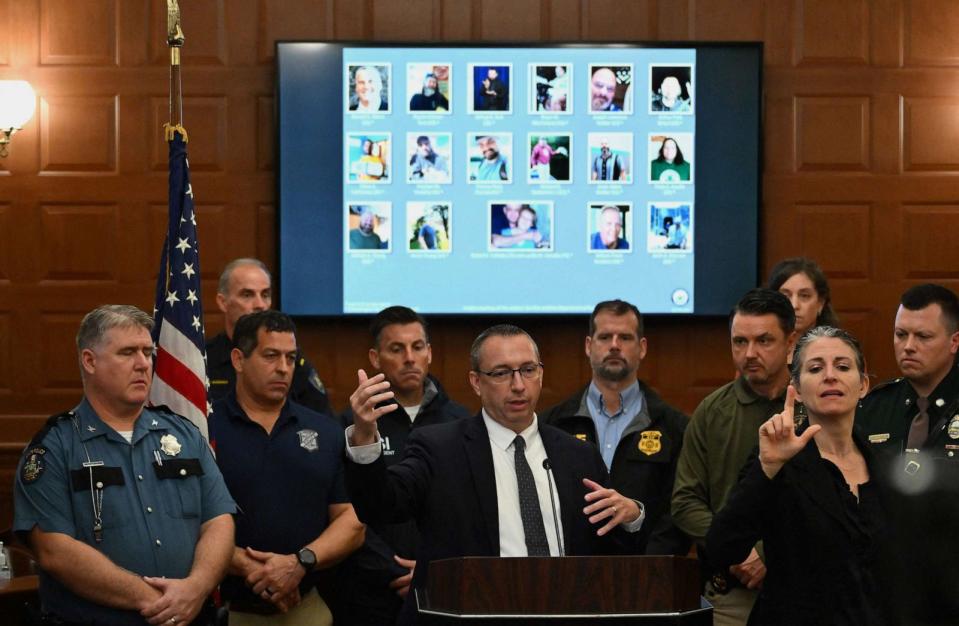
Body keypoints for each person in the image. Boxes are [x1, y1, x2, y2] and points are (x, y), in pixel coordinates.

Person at [344, 324, 644, 625]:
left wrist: (631, 517)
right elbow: (380, 506)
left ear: (541, 373)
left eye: (528, 370)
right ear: (476, 382)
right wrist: (365, 437)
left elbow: (609, 553)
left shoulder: (577, 456)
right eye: (501, 373)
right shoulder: (439, 448)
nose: (518, 385)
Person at [14, 305, 236, 625]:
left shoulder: (184, 434)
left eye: (148, 352)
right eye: (128, 352)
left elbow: (219, 521)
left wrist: (196, 588)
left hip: (191, 615)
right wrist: (157, 601)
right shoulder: (54, 447)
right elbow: (55, 551)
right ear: (90, 361)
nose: (143, 364)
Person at [706, 326, 892, 625]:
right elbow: (721, 548)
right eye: (816, 368)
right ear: (797, 390)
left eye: (843, 366)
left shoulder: (884, 465)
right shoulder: (779, 460)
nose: (830, 375)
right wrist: (767, 468)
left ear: (863, 385)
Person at [209, 311, 364, 626]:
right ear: (238, 359)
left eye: (291, 358)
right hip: (225, 609)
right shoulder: (203, 429)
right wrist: (257, 571)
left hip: (307, 607)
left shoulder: (325, 430)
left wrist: (299, 564)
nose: (283, 368)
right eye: (271, 356)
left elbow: (352, 521)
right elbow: (186, 521)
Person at [335, 306, 470, 625]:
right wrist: (394, 570)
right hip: (372, 595)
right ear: (375, 357)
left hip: (445, 589)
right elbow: (345, 510)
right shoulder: (350, 425)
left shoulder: (462, 423)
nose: (410, 357)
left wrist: (429, 570)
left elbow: (467, 510)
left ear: (430, 353)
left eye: (417, 347)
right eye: (397, 349)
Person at [672, 289, 796, 626]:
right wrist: (740, 551)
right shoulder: (712, 411)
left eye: (764, 341)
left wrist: (767, 553)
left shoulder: (815, 407)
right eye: (739, 342)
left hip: (806, 588)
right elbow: (685, 502)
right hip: (731, 596)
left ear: (791, 343)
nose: (749, 353)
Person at [541, 301, 689, 555]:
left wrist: (638, 520)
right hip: (568, 573)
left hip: (648, 574)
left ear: (642, 348)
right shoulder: (551, 424)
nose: (614, 345)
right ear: (589, 346)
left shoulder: (675, 427)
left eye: (625, 337)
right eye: (605, 337)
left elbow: (680, 511)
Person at [855, 284, 959, 621]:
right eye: (901, 334)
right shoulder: (871, 410)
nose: (908, 346)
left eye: (923, 337)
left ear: (954, 342)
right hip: (887, 591)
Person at [207, 258, 332, 416]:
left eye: (265, 295)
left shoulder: (290, 360)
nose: (260, 305)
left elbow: (322, 420)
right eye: (247, 295)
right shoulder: (204, 359)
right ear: (223, 302)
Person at [766, 257, 840, 336]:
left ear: (820, 303)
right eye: (785, 296)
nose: (794, 305)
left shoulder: (835, 347)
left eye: (804, 296)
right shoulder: (756, 344)